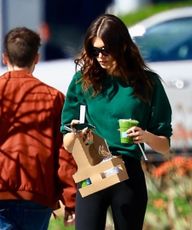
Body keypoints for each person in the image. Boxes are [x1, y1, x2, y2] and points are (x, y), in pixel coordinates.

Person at [61, 14, 172, 230]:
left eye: (105, 50)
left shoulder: (147, 83)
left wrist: (146, 136)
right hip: (93, 167)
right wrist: (75, 135)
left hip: (128, 171)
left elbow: (165, 147)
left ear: (122, 47)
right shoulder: (82, 81)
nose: (100, 57)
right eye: (94, 51)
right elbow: (67, 142)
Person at [0, 27, 77, 230]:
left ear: (5, 57)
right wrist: (71, 200)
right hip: (37, 195)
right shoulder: (54, 98)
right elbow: (65, 153)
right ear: (37, 58)